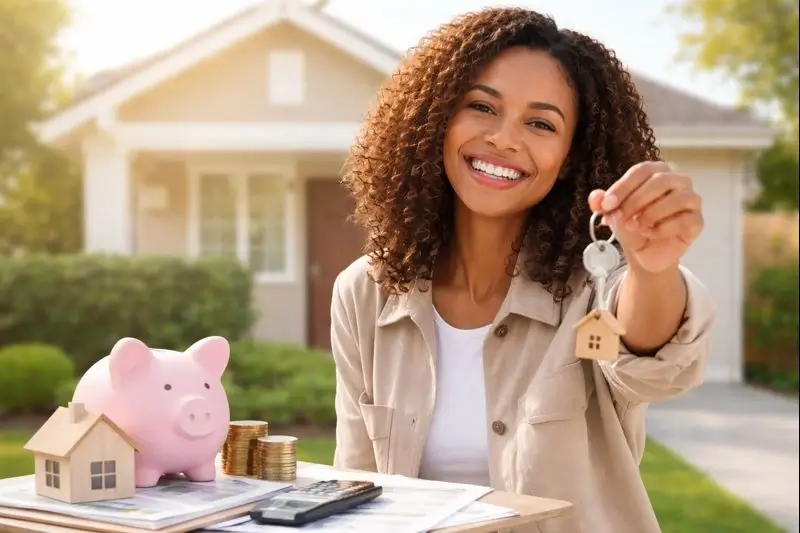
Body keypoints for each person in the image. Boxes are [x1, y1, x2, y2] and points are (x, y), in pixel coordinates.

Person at [329, 6, 716, 533]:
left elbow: (652, 362)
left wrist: (653, 269)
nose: (504, 139)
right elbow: (356, 486)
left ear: (570, 157)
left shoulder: (596, 286)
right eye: (482, 107)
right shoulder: (364, 293)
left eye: (540, 123)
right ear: (435, 120)